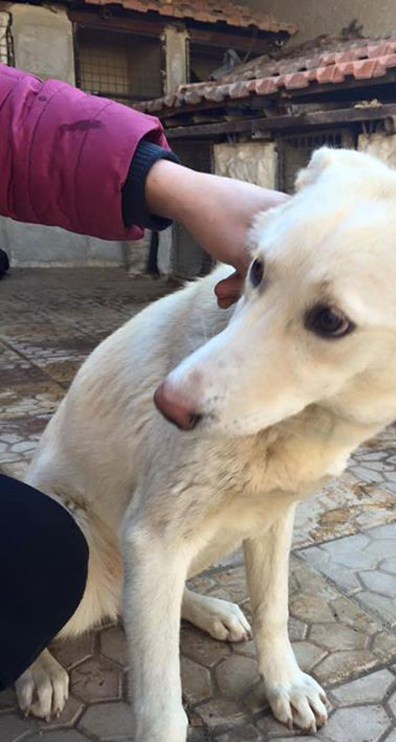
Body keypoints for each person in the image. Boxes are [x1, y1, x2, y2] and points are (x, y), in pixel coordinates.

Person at [0, 64, 286, 692]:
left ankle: (169, 597)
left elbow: (13, 118)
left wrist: (176, 186)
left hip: (134, 530)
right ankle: (34, 645)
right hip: (85, 513)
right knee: (49, 578)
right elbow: (153, 532)